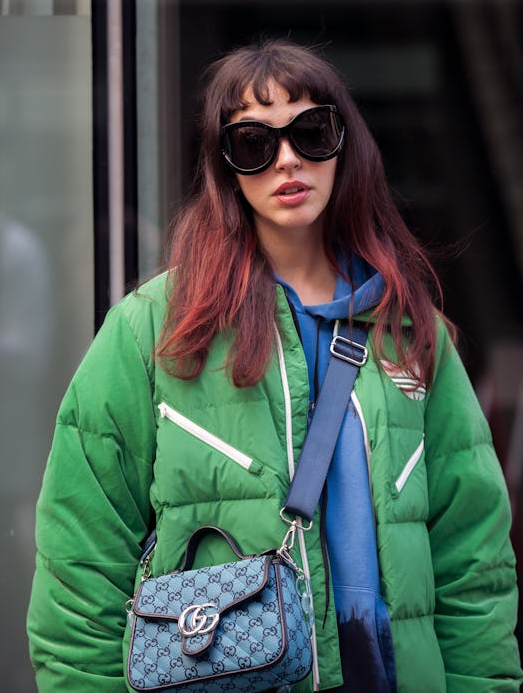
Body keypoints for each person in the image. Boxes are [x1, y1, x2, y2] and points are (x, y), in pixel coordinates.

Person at [27, 39, 521, 692]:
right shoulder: (154, 327)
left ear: (347, 144)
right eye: (254, 144)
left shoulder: (411, 327)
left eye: (312, 133)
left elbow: (473, 560)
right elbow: (80, 564)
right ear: (224, 165)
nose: (288, 159)